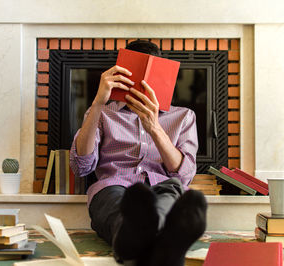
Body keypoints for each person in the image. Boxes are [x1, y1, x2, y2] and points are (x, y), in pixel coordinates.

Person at [70, 40, 207, 266]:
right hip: (114, 185)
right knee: (119, 208)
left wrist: (154, 126)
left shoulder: (183, 116)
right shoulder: (102, 113)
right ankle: (157, 242)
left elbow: (184, 176)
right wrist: (97, 102)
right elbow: (81, 166)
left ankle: (148, 241)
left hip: (164, 184)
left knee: (167, 200)